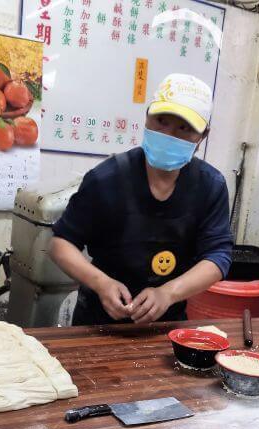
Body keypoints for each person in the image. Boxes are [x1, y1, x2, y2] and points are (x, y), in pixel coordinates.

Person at [49, 73, 233, 326]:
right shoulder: (106, 179)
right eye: (161, 121)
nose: (169, 135)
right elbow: (61, 244)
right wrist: (101, 283)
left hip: (167, 325)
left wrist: (168, 293)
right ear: (147, 117)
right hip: (98, 321)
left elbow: (218, 255)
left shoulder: (210, 186)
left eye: (184, 128)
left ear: (202, 136)